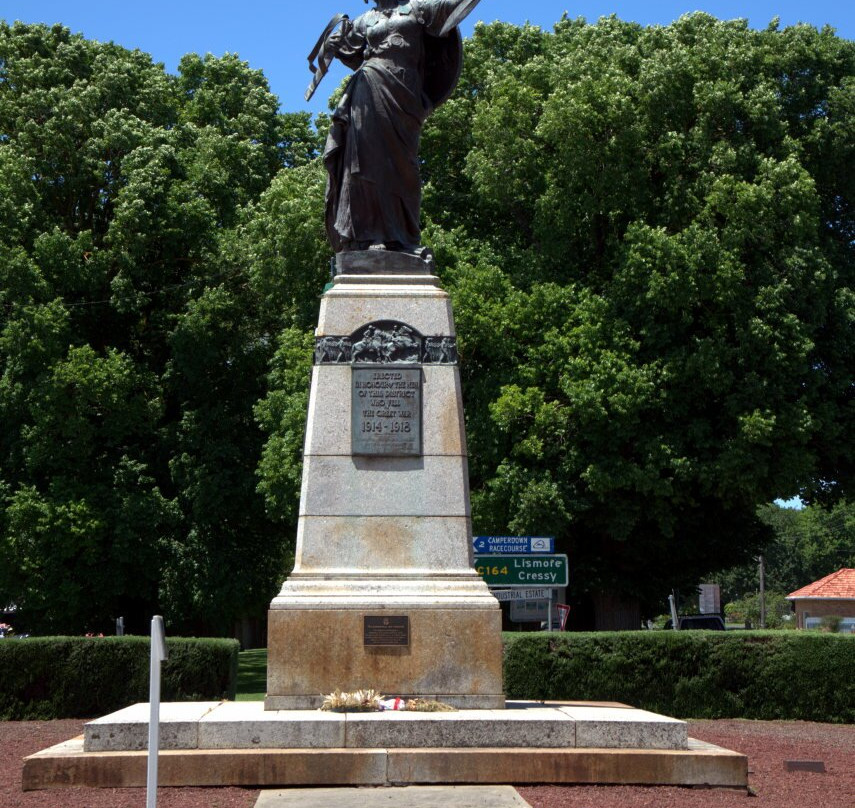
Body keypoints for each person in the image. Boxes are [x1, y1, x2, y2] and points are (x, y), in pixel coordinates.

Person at [310, 0, 484, 253]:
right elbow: (354, 55)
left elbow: (453, 7)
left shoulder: (418, 8)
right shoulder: (364, 20)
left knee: (404, 167)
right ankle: (369, 237)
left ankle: (404, 238)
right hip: (367, 89)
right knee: (366, 163)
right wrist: (337, 47)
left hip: (404, 97)